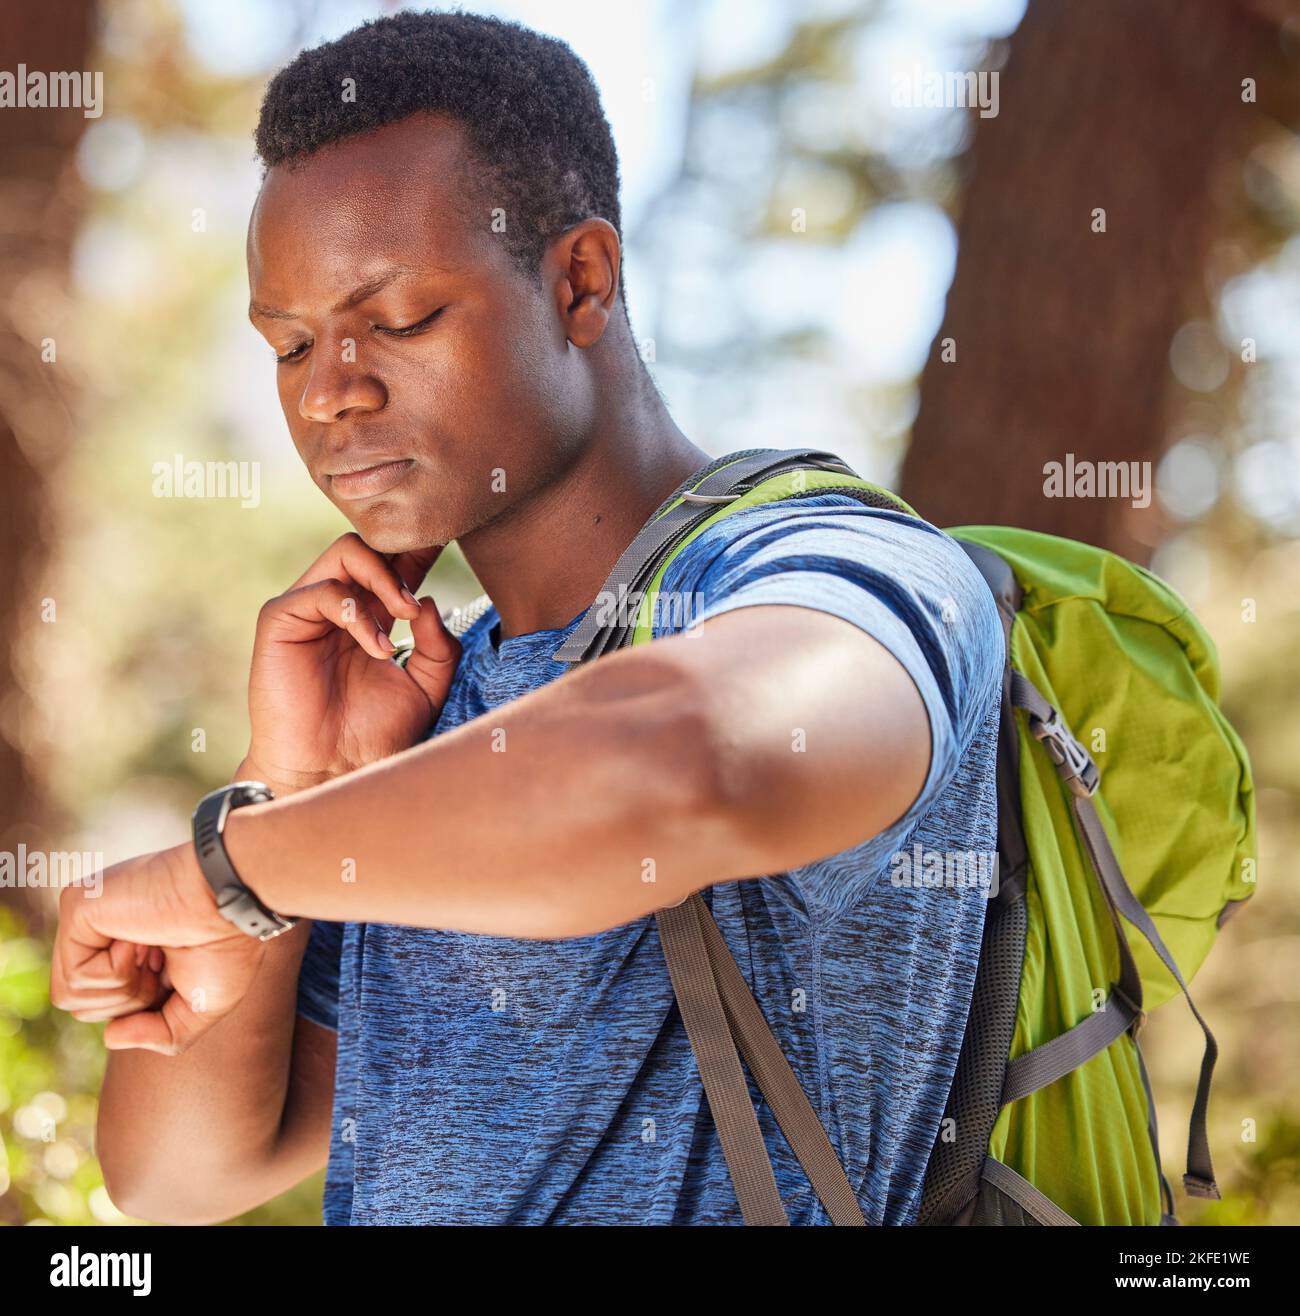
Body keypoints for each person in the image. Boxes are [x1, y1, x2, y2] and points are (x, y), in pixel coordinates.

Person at [50, 10, 1004, 1226]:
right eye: (290, 345)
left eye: (395, 318)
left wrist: (227, 870)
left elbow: (682, 767)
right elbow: (174, 1181)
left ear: (580, 280)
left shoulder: (835, 570)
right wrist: (287, 791)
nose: (332, 390)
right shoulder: (424, 724)